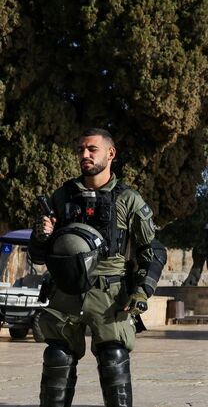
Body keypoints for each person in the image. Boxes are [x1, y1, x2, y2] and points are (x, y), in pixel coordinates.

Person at [27, 128, 166, 406]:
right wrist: (43, 234)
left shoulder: (128, 199)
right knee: (57, 356)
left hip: (110, 294)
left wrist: (141, 292)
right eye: (81, 150)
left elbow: (153, 251)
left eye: (92, 149)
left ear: (110, 153)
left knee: (114, 356)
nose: (85, 155)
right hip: (66, 292)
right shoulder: (62, 196)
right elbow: (38, 255)